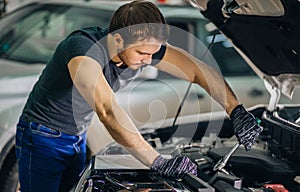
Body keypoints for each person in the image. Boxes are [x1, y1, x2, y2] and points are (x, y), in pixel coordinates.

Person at [15, 1, 263, 191]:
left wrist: (236, 111)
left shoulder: (144, 48)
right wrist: (156, 161)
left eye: (152, 53)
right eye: (143, 53)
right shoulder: (82, 49)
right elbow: (107, 110)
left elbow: (198, 70)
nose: (149, 60)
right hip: (42, 136)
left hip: (77, 136)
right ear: (118, 38)